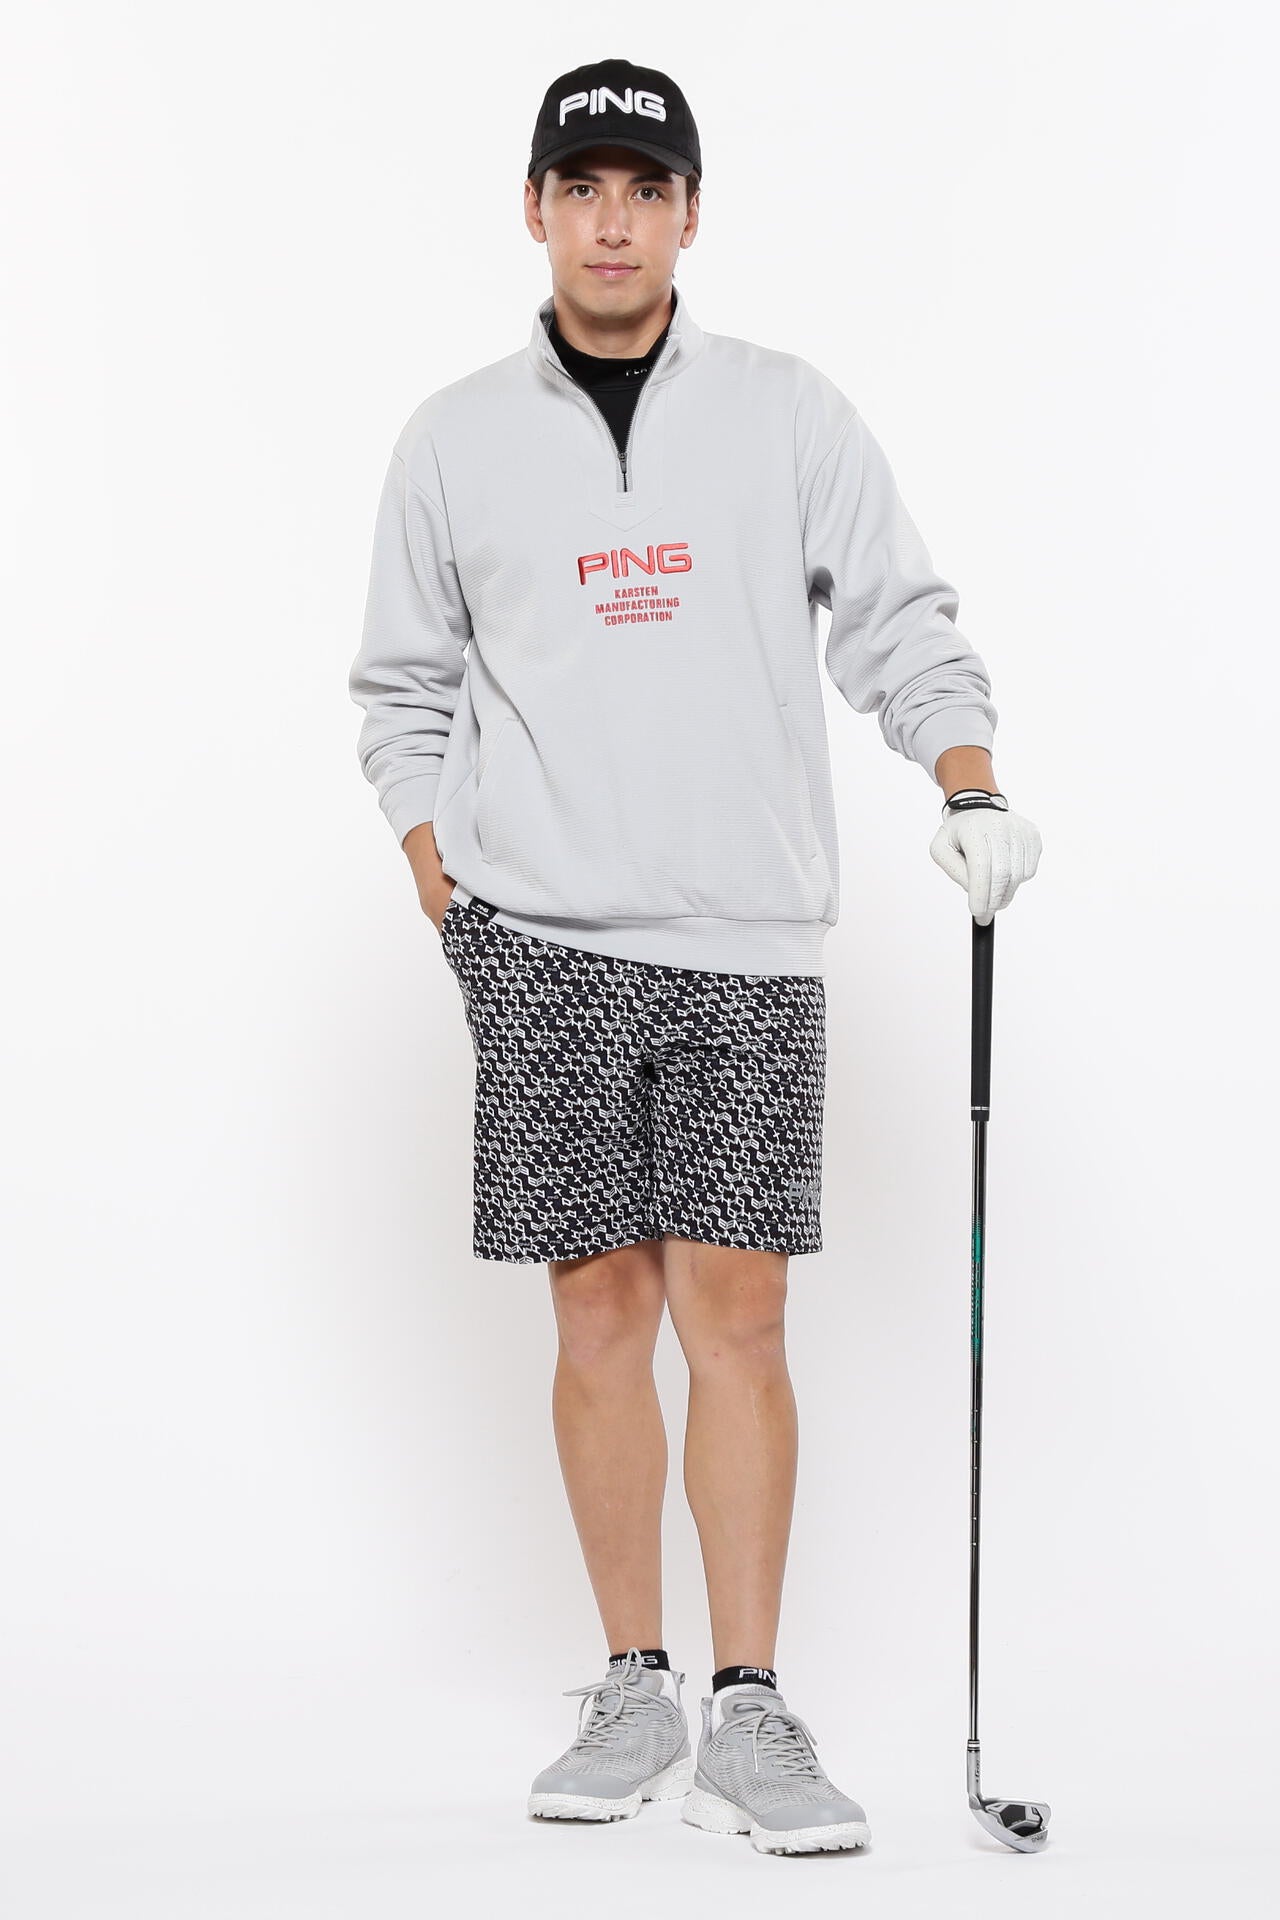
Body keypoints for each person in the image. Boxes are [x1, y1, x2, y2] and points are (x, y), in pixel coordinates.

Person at [348, 56, 1042, 1857]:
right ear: (533, 208)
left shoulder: (787, 414)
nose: (612, 221)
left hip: (744, 940)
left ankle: (749, 1709)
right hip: (542, 944)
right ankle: (632, 1681)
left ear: (689, 213)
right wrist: (444, 884)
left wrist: (969, 781)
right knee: (596, 1310)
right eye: (580, 187)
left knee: (739, 1312)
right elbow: (403, 688)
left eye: (643, 189)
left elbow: (903, 622)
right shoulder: (452, 438)